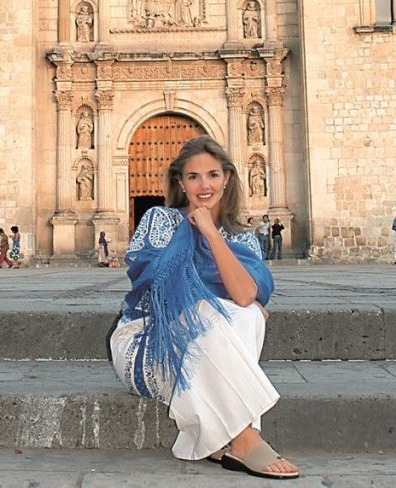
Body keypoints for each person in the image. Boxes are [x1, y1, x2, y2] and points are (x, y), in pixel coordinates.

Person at [110, 135, 299, 479]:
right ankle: (244, 437)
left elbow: (243, 296)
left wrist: (211, 233)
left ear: (227, 178)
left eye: (212, 174)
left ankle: (221, 440)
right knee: (210, 310)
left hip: (205, 352)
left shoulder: (241, 238)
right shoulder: (159, 221)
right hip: (151, 345)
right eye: (193, 176)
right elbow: (164, 293)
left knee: (249, 313)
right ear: (180, 182)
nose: (204, 185)